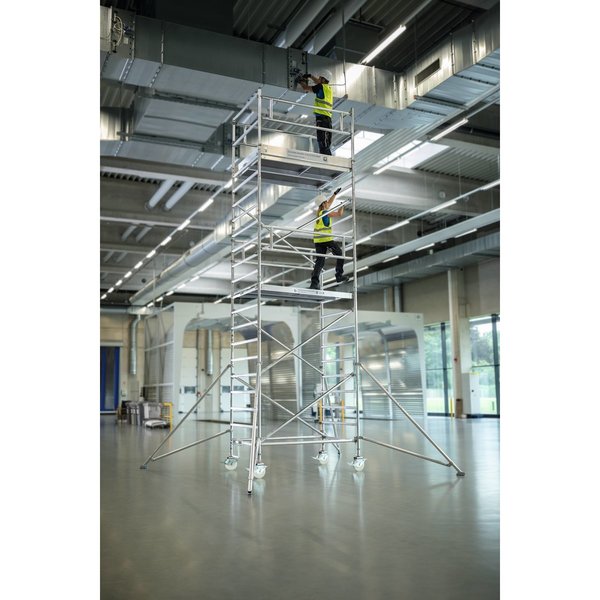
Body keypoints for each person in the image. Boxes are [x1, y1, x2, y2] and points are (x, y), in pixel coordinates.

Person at [309, 188, 350, 290]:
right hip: (326, 239)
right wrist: (342, 206)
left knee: (320, 262)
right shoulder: (325, 213)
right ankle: (339, 275)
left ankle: (314, 283)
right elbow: (339, 214)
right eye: (326, 202)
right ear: (323, 204)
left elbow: (329, 203)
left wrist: (335, 194)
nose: (328, 203)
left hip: (318, 241)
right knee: (339, 254)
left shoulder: (320, 212)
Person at [299, 70, 334, 155]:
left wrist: (300, 81)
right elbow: (318, 83)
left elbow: (305, 88)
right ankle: (326, 156)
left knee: (322, 141)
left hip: (322, 119)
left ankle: (326, 158)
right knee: (325, 141)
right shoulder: (328, 88)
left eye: (320, 78)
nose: (318, 79)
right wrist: (310, 76)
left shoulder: (321, 87)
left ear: (323, 79)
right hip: (327, 119)